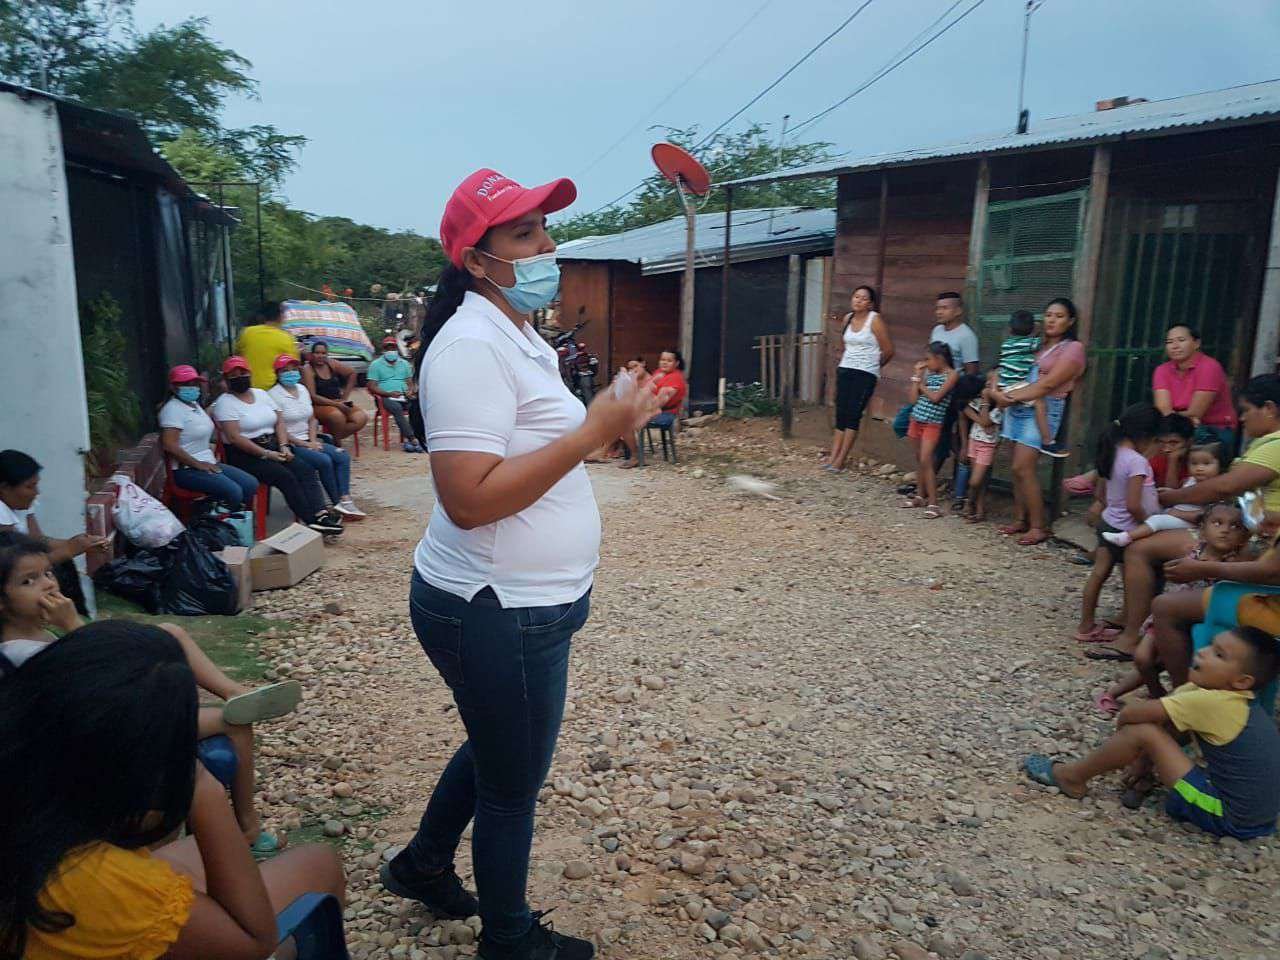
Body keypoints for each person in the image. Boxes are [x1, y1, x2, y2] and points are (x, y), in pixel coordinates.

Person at [382, 167, 667, 960]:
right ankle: (508, 941)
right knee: (512, 784)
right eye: (523, 233)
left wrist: (609, 421)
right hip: (494, 606)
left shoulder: (517, 332)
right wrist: (591, 432)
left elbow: (537, 451)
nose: (547, 245)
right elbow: (468, 500)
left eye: (544, 227)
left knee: (497, 746)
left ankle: (421, 865)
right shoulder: (470, 347)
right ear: (476, 260)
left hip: (528, 603)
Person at [0, 619, 345, 959]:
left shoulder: (26, 778)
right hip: (87, 898)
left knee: (196, 852)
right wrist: (202, 786)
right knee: (319, 863)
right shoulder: (92, 880)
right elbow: (254, 942)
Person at [0, 531, 302, 849]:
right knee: (236, 723)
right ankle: (248, 827)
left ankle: (235, 692)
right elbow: (109, 674)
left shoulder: (39, 637)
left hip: (111, 722)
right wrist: (72, 625)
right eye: (28, 581)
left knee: (170, 633)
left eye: (47, 573)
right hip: (104, 738)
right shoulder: (21, 653)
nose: (48, 585)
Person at [1024, 626, 1280, 841]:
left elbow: (1131, 715)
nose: (1203, 652)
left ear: (1242, 681)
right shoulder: (1234, 700)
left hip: (1229, 817)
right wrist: (1144, 761)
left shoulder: (1213, 702)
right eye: (1211, 645)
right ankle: (1143, 774)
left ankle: (1072, 777)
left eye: (1219, 655)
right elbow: (1171, 723)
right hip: (1258, 818)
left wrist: (1129, 741)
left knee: (1143, 731)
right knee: (1163, 723)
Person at [1095, 503, 1250, 717]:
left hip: (1197, 621)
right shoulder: (1193, 552)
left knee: (1157, 661)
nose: (1225, 530)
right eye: (1217, 523)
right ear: (1202, 530)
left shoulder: (1234, 563)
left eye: (1235, 526)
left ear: (1243, 537)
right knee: (1143, 659)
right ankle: (1156, 694)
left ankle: (1145, 697)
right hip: (1166, 614)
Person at [209, 356, 343, 536]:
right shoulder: (225, 403)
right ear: (226, 380)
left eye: (243, 373)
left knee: (305, 469)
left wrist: (284, 445)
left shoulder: (261, 394)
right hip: (245, 453)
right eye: (233, 376)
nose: (239, 378)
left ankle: (321, 514)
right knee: (285, 476)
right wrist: (266, 453)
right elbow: (234, 437)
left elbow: (279, 421)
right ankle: (310, 519)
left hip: (273, 444)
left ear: (250, 374)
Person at [994, 297, 1088, 546]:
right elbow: (1006, 366)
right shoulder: (1036, 343)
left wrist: (1006, 397)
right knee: (1016, 468)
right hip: (1017, 405)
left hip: (1042, 409)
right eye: (1048, 315)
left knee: (1024, 467)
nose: (1052, 320)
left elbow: (1047, 384)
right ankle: (1020, 519)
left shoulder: (1073, 349)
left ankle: (1038, 526)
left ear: (1071, 321)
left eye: (1059, 316)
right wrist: (998, 392)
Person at [1075, 403, 1161, 643]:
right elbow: (1134, 504)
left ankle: (1085, 625)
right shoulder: (1137, 462)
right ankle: (1134, 625)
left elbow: (1100, 494)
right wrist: (1151, 523)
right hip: (1127, 528)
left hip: (1108, 522)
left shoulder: (1111, 452)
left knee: (1098, 574)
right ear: (1145, 436)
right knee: (1135, 577)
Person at [0, 450, 106, 616]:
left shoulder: (19, 503)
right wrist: (68, 550)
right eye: (30, 487)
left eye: (36, 485)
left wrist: (80, 543)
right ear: (5, 488)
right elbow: (14, 568)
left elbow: (38, 540)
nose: (36, 492)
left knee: (64, 563)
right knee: (61, 564)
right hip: (13, 585)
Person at [269, 355, 365, 519]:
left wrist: (313, 440)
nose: (290, 373)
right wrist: (306, 445)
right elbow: (278, 428)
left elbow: (312, 419)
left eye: (294, 369)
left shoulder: (302, 390)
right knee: (324, 460)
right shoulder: (273, 395)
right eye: (285, 371)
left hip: (309, 439)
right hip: (292, 443)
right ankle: (336, 503)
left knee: (342, 456)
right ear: (277, 374)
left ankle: (345, 498)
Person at [160, 365, 259, 510]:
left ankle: (236, 517)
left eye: (195, 384)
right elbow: (169, 444)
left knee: (250, 484)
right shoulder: (172, 410)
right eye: (186, 384)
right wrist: (197, 464)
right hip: (186, 469)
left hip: (209, 462)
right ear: (173, 387)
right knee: (233, 492)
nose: (192, 388)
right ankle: (213, 519)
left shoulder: (194, 405)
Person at [1101, 441, 1230, 547]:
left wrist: (1176, 513)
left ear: (1220, 465)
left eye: (1206, 463)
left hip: (1192, 522)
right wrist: (1172, 493)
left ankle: (1126, 537)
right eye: (1194, 463)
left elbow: (1206, 515)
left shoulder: (1216, 487)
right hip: (1176, 514)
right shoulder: (1190, 480)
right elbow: (1184, 497)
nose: (1199, 468)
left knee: (1157, 520)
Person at [825, 285, 894, 473]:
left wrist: (873, 366)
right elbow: (844, 345)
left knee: (853, 414)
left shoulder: (874, 320)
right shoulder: (847, 318)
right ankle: (833, 456)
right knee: (841, 411)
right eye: (856, 296)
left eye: (863, 298)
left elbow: (888, 350)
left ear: (870, 304)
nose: (858, 300)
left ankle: (841, 459)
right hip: (846, 368)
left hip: (865, 372)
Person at [1153, 324, 1238, 448]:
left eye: (1181, 340)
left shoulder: (1209, 367)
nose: (1175, 346)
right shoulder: (1162, 370)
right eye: (1169, 342)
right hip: (1176, 425)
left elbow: (1196, 412)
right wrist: (1177, 418)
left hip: (1212, 428)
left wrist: (1175, 417)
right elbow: (1163, 410)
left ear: (1196, 343)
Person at [997, 310, 1066, 459]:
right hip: (1017, 385)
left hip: (1004, 384)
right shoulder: (1029, 343)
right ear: (1032, 328)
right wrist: (1038, 329)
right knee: (1040, 404)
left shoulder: (1006, 344)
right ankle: (1047, 441)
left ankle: (1005, 437)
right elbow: (1043, 341)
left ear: (1010, 328)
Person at [902, 342, 958, 519]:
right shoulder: (929, 374)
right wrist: (917, 378)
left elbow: (936, 397)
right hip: (916, 418)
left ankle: (934, 503)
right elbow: (913, 400)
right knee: (920, 459)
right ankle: (920, 496)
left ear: (939, 358)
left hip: (933, 423)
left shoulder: (952, 374)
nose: (925, 363)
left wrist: (920, 385)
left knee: (926, 460)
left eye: (928, 359)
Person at [618, 350, 688, 468]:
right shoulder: (659, 372)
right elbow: (647, 390)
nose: (664, 363)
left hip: (664, 412)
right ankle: (619, 450)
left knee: (624, 421)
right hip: (650, 407)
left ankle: (635, 456)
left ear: (676, 363)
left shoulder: (676, 378)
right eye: (663, 360)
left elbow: (660, 401)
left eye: (669, 361)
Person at [367, 335, 426, 453]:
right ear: (383, 350)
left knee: (417, 405)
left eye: (393, 347)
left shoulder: (404, 364)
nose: (390, 350)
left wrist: (410, 391)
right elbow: (372, 386)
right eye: (387, 348)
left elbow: (410, 383)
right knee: (396, 408)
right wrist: (388, 394)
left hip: (403, 396)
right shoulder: (375, 365)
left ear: (396, 349)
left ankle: (419, 436)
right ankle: (412, 439)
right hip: (385, 397)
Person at [302, 340, 369, 444]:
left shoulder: (331, 363)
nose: (320, 356)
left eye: (323, 353)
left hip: (338, 401)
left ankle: (333, 438)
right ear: (312, 354)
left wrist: (344, 398)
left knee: (361, 417)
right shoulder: (308, 369)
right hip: (318, 405)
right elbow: (313, 396)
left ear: (327, 354)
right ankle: (337, 443)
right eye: (317, 353)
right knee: (337, 416)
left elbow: (352, 373)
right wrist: (336, 404)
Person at [961, 371, 1003, 523]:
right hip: (974, 440)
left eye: (993, 382)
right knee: (979, 479)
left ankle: (969, 502)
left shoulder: (1000, 406)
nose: (988, 384)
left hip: (987, 445)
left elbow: (986, 421)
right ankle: (979, 510)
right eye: (988, 381)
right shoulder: (978, 400)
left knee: (975, 481)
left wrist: (985, 400)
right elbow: (964, 408)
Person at [234, 301, 298, 391]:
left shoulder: (246, 332)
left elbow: (237, 357)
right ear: (280, 316)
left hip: (247, 387)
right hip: (272, 389)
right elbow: (293, 367)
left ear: (263, 317)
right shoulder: (287, 338)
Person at [929, 292, 980, 375]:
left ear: (958, 311)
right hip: (933, 380)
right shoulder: (937, 330)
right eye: (937, 308)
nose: (939, 312)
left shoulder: (966, 336)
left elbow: (971, 371)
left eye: (945, 308)